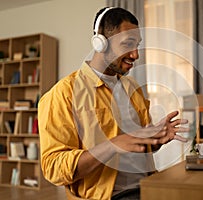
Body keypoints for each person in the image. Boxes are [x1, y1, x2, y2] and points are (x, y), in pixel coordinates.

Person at [38, 7, 188, 200]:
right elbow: (53, 168)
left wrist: (154, 140)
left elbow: (136, 148)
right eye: (127, 44)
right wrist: (112, 145)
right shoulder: (63, 94)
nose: (135, 55)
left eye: (137, 45)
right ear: (100, 44)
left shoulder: (132, 87)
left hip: (146, 187)